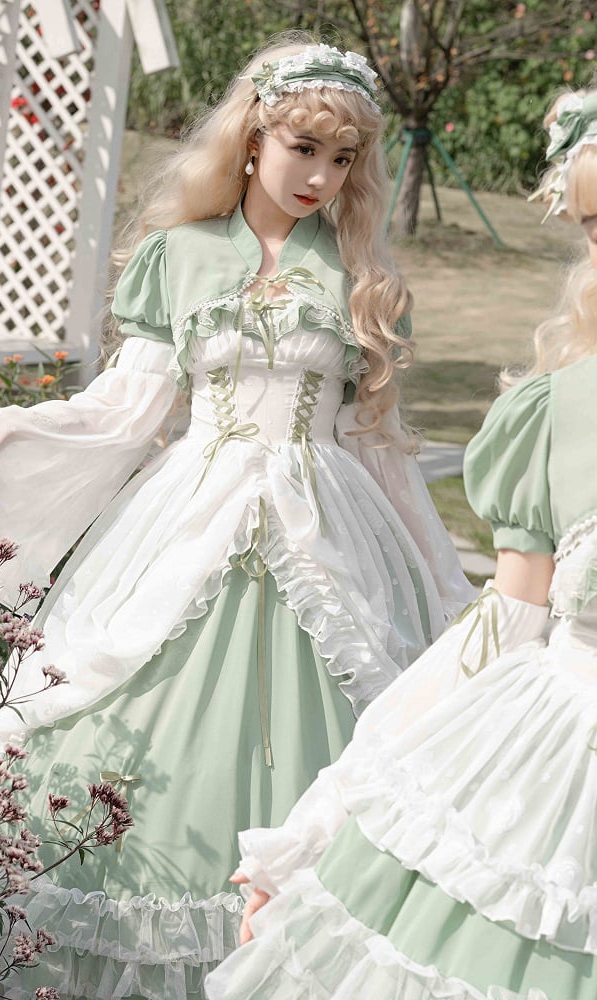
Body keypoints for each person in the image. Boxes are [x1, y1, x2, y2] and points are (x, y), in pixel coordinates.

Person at [0, 35, 472, 999]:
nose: (321, 176)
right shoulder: (179, 255)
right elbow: (126, 409)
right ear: (253, 139)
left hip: (326, 526)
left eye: (342, 159)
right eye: (304, 148)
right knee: (124, 707)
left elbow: (378, 446)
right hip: (189, 516)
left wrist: (441, 580)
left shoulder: (362, 278)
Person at [204, 84, 597, 1000]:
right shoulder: (557, 410)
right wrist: (317, 825)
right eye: (594, 223)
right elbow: (501, 629)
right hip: (555, 777)